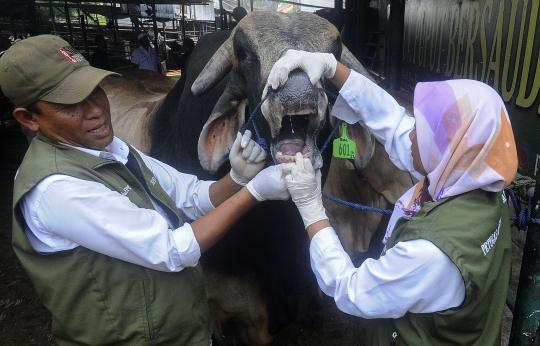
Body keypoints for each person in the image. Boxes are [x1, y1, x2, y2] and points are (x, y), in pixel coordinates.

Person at [0, 34, 290, 345]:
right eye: (70, 103)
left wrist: (237, 179)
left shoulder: (112, 148)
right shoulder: (55, 189)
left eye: (95, 91)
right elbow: (171, 249)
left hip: (175, 329)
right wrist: (254, 193)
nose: (96, 110)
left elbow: (189, 195)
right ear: (28, 118)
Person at [268, 50, 518, 345]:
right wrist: (332, 67)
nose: (412, 134)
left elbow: (352, 291)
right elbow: (395, 123)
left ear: (452, 150)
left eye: (424, 131)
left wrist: (311, 206)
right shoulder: (478, 177)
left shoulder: (431, 252)